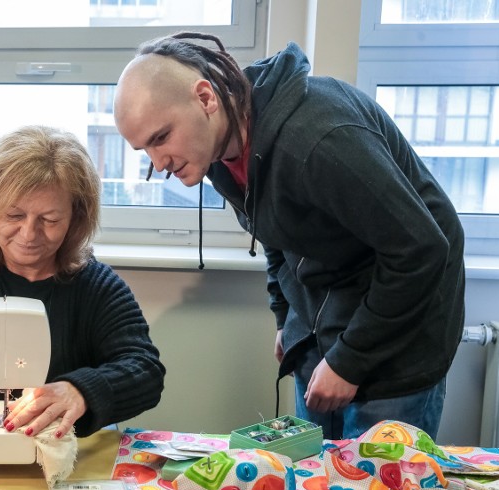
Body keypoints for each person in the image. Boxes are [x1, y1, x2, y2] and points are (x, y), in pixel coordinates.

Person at [113, 32, 465, 440]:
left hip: (400, 329)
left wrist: (349, 361)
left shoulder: (318, 141)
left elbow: (421, 249)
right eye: (145, 151)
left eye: (161, 137)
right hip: (325, 324)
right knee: (316, 485)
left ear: (206, 98)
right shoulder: (218, 152)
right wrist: (286, 316)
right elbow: (274, 233)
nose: (161, 163)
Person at [0, 125, 165, 440]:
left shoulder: (96, 287)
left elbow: (145, 370)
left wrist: (80, 391)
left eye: (50, 220)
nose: (29, 235)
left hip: (62, 455)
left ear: (75, 219)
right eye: (14, 215)